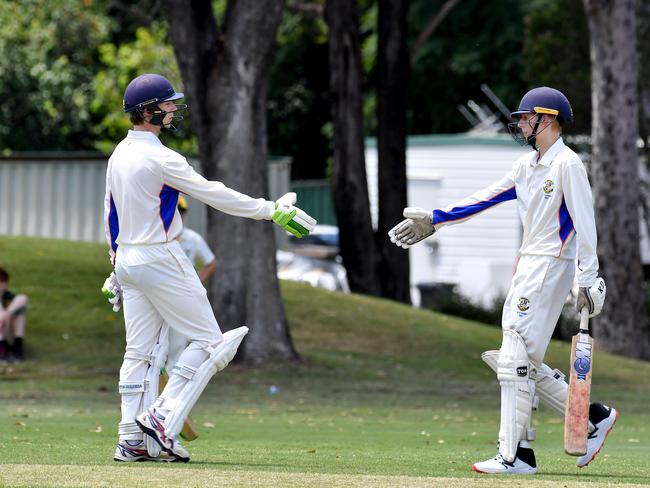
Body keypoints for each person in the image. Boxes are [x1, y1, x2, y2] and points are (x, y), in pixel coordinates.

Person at [388, 87, 616, 474]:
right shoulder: (527, 166)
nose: (522, 123)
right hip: (528, 263)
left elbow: (585, 224)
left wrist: (588, 276)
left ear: (549, 119)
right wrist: (435, 219)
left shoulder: (568, 165)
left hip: (552, 264)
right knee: (520, 359)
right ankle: (593, 417)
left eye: (528, 117)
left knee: (514, 357)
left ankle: (514, 456)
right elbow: (485, 198)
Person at [103, 73, 315, 463]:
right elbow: (214, 194)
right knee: (212, 343)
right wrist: (271, 211)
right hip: (160, 256)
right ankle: (162, 416)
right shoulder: (162, 157)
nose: (172, 110)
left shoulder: (119, 154)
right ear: (149, 111)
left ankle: (131, 437)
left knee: (140, 353)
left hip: (130, 258)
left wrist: (115, 264)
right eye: (167, 105)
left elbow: (111, 212)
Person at [0, 267, 29, 362]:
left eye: (1, 281)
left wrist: (7, 313)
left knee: (20, 309)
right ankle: (3, 350)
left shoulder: (8, 297)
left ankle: (17, 347)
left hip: (7, 332)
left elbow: (23, 298)